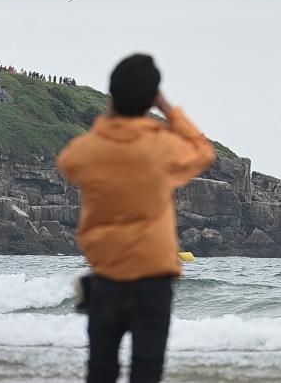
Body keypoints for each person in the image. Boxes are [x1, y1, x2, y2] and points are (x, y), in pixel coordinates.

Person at [58, 54, 216, 383]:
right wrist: (168, 109)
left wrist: (109, 122)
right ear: (151, 102)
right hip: (153, 279)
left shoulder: (88, 149)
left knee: (100, 370)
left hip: (106, 277)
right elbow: (203, 151)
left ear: (112, 98)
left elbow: (68, 162)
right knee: (147, 370)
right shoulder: (162, 147)